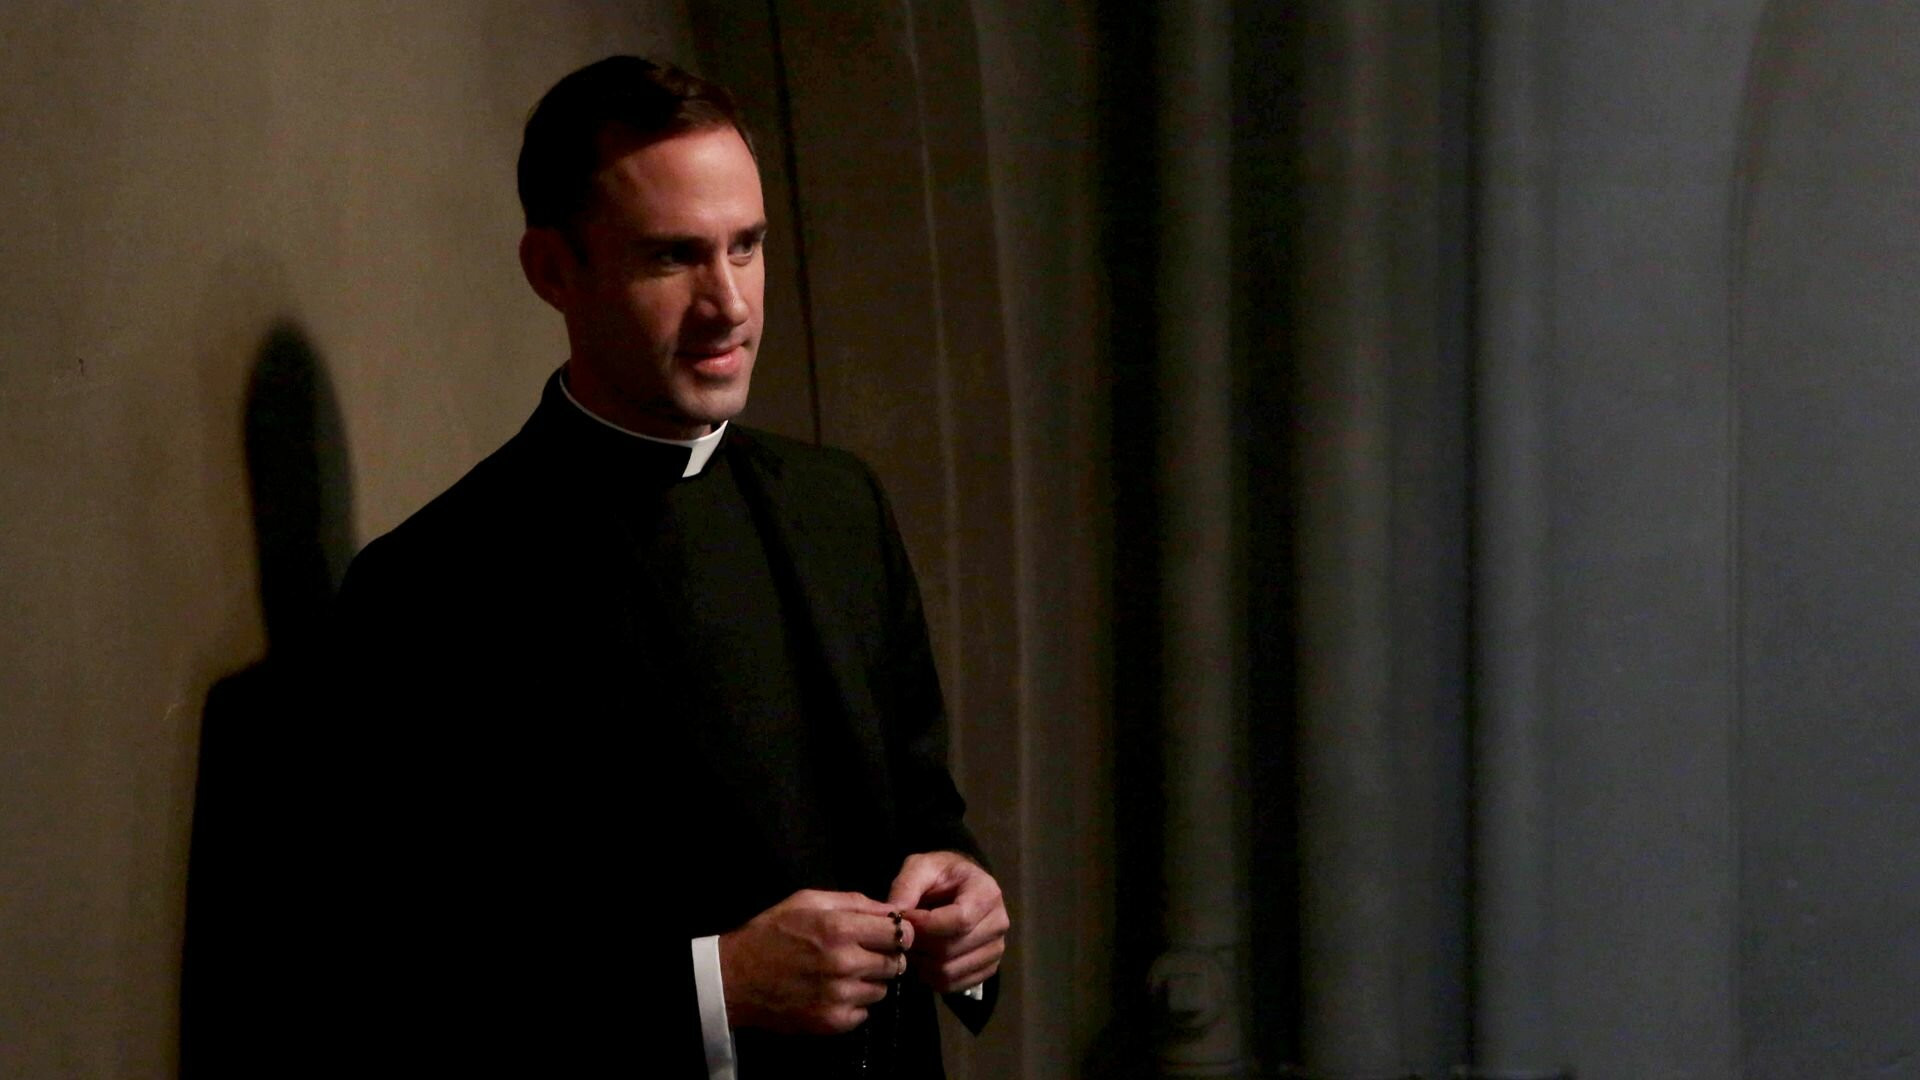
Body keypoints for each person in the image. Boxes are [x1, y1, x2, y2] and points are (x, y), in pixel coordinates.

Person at [322, 56, 1007, 1076]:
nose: (728, 304)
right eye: (673, 257)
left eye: (747, 246)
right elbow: (400, 981)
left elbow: (922, 806)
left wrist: (964, 894)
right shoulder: (430, 588)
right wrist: (713, 988)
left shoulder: (841, 507)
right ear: (552, 270)